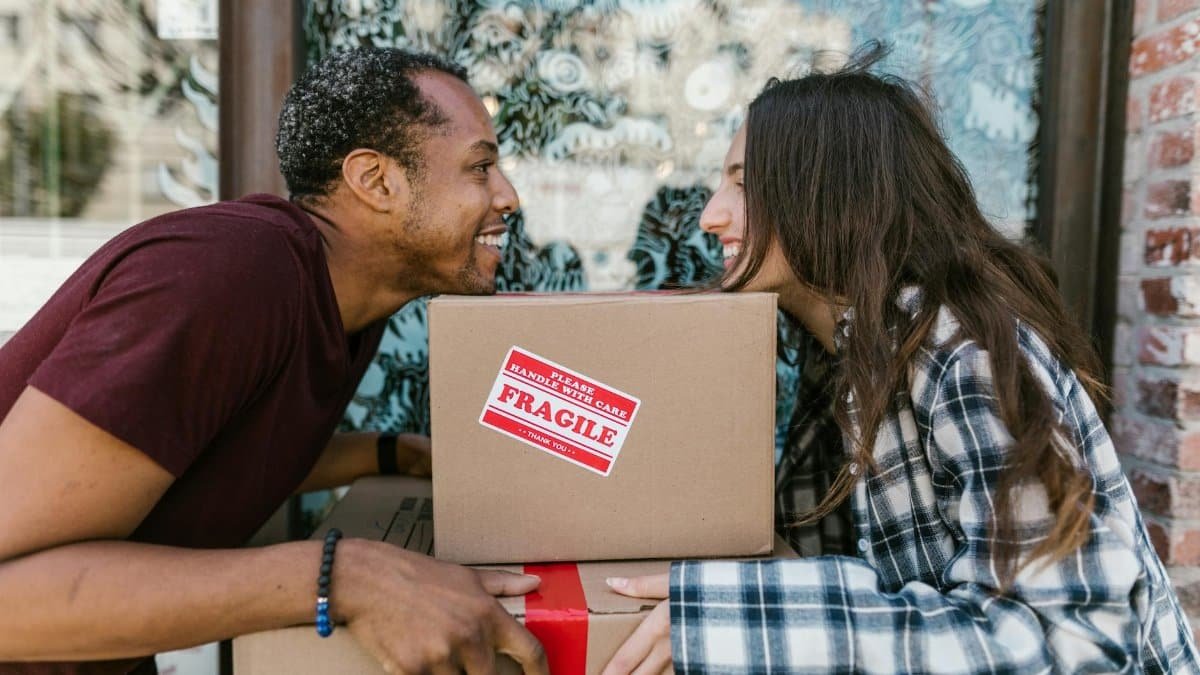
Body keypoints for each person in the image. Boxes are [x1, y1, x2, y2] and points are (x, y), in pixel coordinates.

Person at [601, 44, 1200, 674]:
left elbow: (1065, 638)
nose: (709, 216)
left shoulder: (957, 347)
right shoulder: (843, 360)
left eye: (745, 185)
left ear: (830, 197)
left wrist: (740, 621)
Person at [0, 48, 547, 675]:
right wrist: (345, 578)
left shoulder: (344, 302)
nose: (508, 197)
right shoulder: (232, 275)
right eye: (481, 168)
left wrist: (395, 453)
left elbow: (196, 448)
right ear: (375, 181)